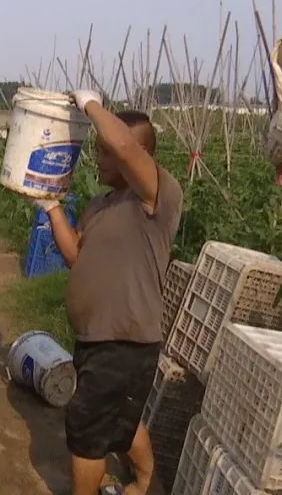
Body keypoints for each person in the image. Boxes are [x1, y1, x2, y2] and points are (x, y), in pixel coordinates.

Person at [38, 90, 183, 495]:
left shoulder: (159, 197)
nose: (99, 157)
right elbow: (74, 255)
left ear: (132, 155)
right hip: (95, 337)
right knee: (120, 419)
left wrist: (89, 103)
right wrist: (51, 207)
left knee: (86, 427)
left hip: (125, 339)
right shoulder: (102, 203)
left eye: (105, 151)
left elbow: (121, 141)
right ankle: (146, 483)